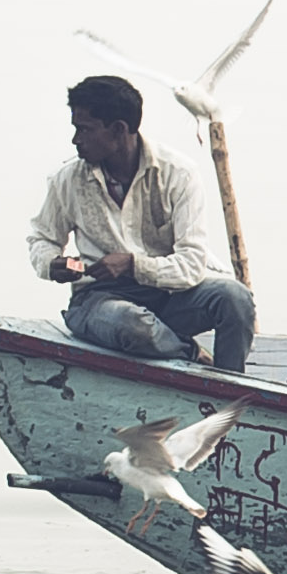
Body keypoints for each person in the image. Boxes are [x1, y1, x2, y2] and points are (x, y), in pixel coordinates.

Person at [31, 73, 257, 374]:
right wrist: (52, 264)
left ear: (118, 130)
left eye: (84, 129)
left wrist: (132, 265)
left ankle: (230, 393)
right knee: (132, 324)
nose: (76, 139)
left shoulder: (178, 174)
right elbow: (42, 238)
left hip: (169, 299)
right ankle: (192, 353)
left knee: (236, 298)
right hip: (99, 302)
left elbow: (191, 266)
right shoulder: (68, 180)